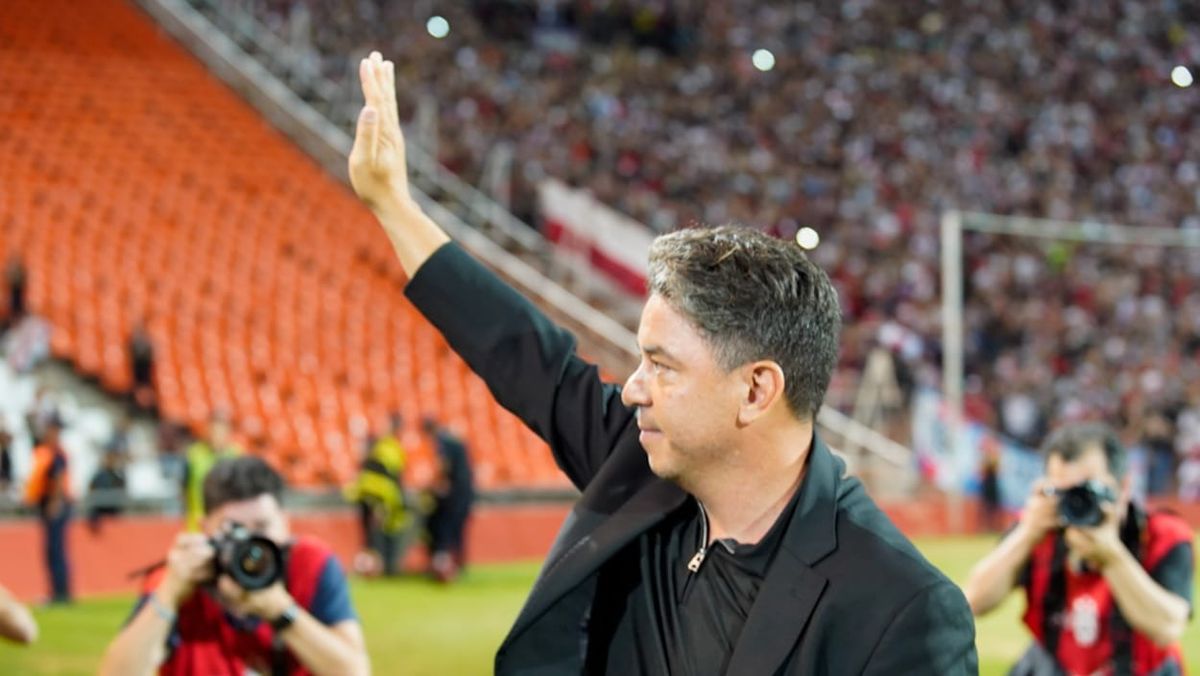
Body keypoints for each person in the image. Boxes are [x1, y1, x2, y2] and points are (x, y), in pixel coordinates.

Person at [348, 51, 976, 674]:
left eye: (662, 365)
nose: (632, 391)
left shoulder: (904, 610)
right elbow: (525, 354)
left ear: (756, 390)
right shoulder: (641, 466)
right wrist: (394, 208)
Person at [99, 456, 369, 676]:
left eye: (263, 526)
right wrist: (169, 595)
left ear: (286, 523)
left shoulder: (310, 564)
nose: (251, 545)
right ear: (206, 530)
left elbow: (355, 671)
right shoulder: (182, 575)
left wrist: (280, 610)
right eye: (234, 530)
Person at [964, 423, 1194, 675]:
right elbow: (973, 603)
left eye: (1087, 491)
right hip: (1057, 663)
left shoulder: (1160, 535)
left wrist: (1113, 557)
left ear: (1124, 487)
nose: (1075, 504)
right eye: (1061, 492)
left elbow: (1167, 628)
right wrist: (1027, 534)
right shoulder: (1037, 530)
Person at [344, 412, 409, 576]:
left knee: (368, 533)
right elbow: (396, 476)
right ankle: (380, 566)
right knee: (379, 533)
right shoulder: (393, 447)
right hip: (381, 497)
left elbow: (363, 465)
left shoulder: (377, 444)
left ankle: (372, 565)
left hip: (366, 493)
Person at [23, 414, 72, 604]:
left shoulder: (55, 453)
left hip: (55, 505)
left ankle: (60, 593)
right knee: (53, 550)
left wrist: (55, 502)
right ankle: (58, 591)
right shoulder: (48, 452)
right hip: (49, 504)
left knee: (55, 550)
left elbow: (58, 479)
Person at [421, 417, 474, 582]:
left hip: (454, 494)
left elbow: (444, 466)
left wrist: (436, 484)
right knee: (458, 531)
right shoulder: (453, 440)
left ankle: (446, 566)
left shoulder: (443, 442)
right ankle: (456, 564)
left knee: (444, 530)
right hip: (464, 492)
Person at [181, 412, 241, 531]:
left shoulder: (236, 455)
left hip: (227, 524)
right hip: (197, 524)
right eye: (214, 431)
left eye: (221, 431)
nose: (217, 435)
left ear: (228, 432)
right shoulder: (194, 454)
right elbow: (184, 487)